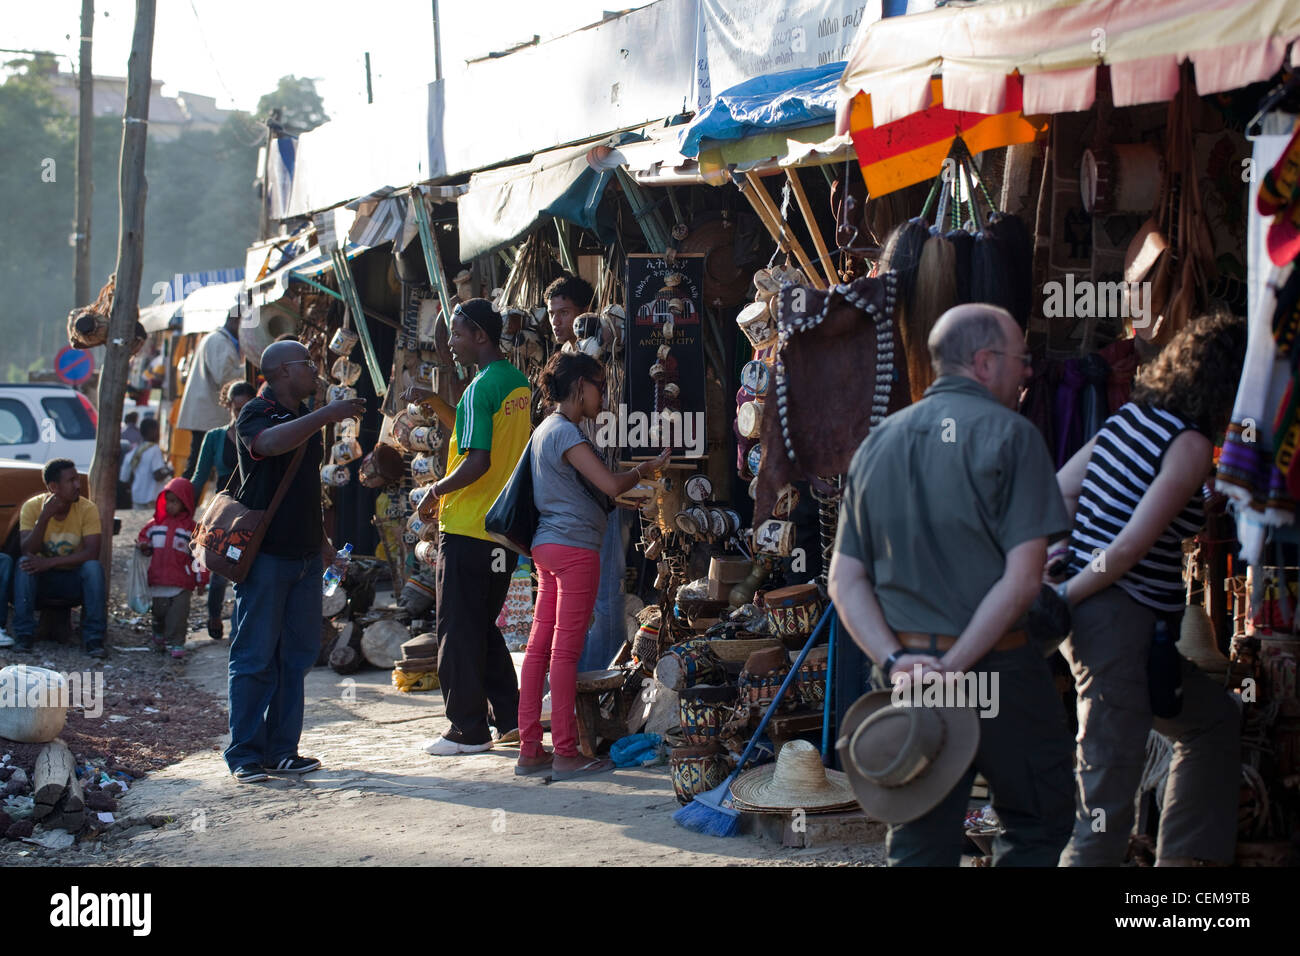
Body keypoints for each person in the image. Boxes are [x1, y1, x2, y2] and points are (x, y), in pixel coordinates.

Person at [827, 303, 1074, 866]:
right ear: (984, 363)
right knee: (1037, 823)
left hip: (910, 675)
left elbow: (844, 579)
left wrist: (896, 662)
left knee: (919, 842)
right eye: (1020, 359)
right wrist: (958, 662)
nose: (1027, 372)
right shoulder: (1013, 436)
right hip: (1000, 673)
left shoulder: (877, 445)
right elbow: (1024, 578)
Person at [1053, 313, 1246, 867]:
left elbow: (1063, 491)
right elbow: (1132, 545)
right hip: (1116, 621)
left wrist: (1064, 569)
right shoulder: (1188, 447)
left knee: (1212, 721)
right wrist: (1070, 594)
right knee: (1105, 800)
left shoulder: (1129, 419)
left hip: (1106, 624)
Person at [515, 352, 670, 779]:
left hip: (547, 548)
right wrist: (645, 468)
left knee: (539, 649)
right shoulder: (566, 432)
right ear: (579, 385)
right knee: (564, 654)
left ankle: (531, 748)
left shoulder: (544, 430)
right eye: (599, 385)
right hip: (574, 550)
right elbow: (608, 483)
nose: (603, 394)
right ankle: (566, 751)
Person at [224, 340, 366, 783]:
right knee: (254, 657)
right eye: (307, 364)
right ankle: (244, 753)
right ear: (282, 372)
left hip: (304, 558)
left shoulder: (306, 419)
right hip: (266, 559)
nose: (315, 371)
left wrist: (323, 544)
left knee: (297, 657)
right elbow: (266, 445)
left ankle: (283, 749)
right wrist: (326, 415)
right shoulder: (255, 412)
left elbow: (304, 491)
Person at [414, 298, 532, 756]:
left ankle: (466, 729)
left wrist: (435, 490)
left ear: (480, 336)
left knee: (458, 630)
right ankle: (509, 720)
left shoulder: (480, 388)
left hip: (466, 525)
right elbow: (482, 442)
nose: (451, 344)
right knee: (482, 626)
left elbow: (477, 460)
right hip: (503, 529)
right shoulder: (517, 384)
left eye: (457, 335)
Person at [10, 458, 106, 657]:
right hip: (42, 580)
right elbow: (27, 550)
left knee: (93, 569)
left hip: (71, 578)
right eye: (71, 481)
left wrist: (49, 562)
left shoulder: (87, 509)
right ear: (53, 487)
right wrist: (44, 517)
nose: (77, 485)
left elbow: (91, 553)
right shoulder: (32, 507)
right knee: (23, 564)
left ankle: (94, 639)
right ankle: (24, 635)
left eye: (77, 480)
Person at [191, 380, 256, 640]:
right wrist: (186, 511)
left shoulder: (261, 435)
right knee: (218, 570)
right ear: (228, 406)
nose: (240, 414)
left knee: (247, 571)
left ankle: (240, 629)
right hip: (223, 514)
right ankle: (215, 615)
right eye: (236, 408)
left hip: (252, 513)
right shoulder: (215, 437)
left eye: (246, 408)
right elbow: (200, 477)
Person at [137, 477, 207, 659]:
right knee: (159, 612)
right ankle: (158, 633)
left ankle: (177, 642)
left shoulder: (193, 529)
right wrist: (143, 545)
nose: (170, 506)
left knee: (178, 615)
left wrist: (201, 580)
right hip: (158, 578)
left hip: (181, 581)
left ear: (185, 502)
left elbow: (199, 556)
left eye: (175, 501)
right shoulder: (155, 525)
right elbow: (144, 537)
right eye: (167, 501)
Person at [176, 306, 243, 480]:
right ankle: (184, 502)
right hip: (208, 415)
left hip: (206, 414)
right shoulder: (219, 341)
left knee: (199, 466)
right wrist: (251, 367)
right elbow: (225, 376)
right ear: (236, 321)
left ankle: (186, 502)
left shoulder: (218, 339)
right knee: (197, 469)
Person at [119, 417, 170, 510]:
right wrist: (169, 471)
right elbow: (157, 475)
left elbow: (124, 478)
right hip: (152, 497)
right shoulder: (155, 449)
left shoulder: (134, 451)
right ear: (153, 431)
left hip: (137, 496)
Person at [545, 274, 594, 351]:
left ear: (585, 312)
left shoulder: (600, 352)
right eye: (551, 313)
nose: (555, 322)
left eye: (564, 312)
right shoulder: (566, 349)